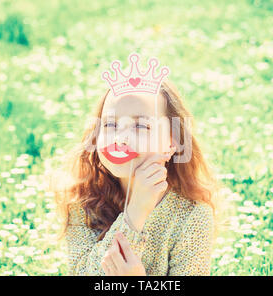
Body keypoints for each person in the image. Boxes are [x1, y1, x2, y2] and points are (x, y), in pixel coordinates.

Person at [48, 78, 226, 276]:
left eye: (141, 127)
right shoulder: (83, 201)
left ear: (172, 142)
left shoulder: (192, 215)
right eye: (110, 125)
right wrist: (135, 211)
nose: (121, 139)